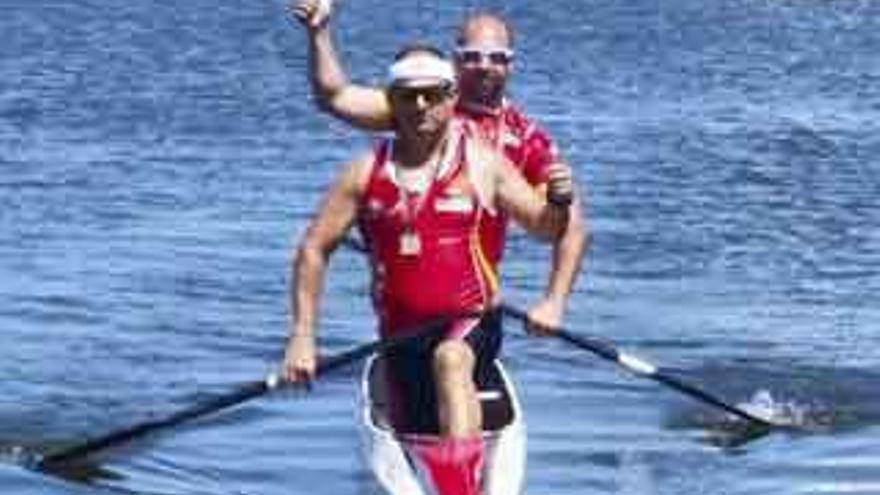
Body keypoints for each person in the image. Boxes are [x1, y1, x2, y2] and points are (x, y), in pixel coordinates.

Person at [281, 45, 573, 493]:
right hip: (400, 335)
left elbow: (547, 229)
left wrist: (558, 201)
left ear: (451, 98)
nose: (420, 106)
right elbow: (313, 250)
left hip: (471, 323)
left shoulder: (483, 163)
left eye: (432, 95)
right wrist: (303, 339)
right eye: (408, 95)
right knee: (423, 386)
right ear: (391, 101)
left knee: (451, 359)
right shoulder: (363, 174)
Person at [290, 0, 589, 333]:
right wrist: (319, 33)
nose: (485, 66)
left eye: (497, 58)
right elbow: (335, 97)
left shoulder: (528, 141)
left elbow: (570, 225)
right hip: (403, 301)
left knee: (453, 361)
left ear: (511, 65)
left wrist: (554, 301)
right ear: (456, 61)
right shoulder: (423, 104)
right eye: (472, 56)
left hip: (472, 306)